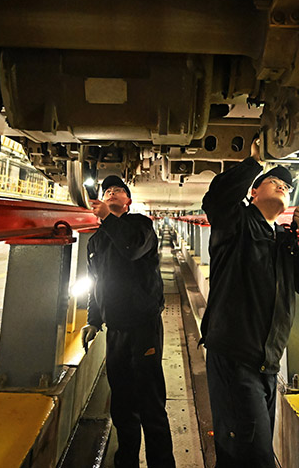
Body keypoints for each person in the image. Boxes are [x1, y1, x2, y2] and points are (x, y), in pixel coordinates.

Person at [200, 143, 299, 467]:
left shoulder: (284, 239)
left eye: (287, 185)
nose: (283, 184)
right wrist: (255, 161)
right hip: (234, 359)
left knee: (236, 456)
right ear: (253, 192)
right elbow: (216, 199)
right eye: (274, 181)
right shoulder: (236, 224)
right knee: (255, 459)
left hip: (267, 365)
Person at [80, 175, 175, 468]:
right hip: (116, 330)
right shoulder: (96, 241)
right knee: (122, 405)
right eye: (107, 190)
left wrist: (108, 218)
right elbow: (96, 283)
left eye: (118, 190)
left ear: (128, 202)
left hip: (144, 327)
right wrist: (94, 319)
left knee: (151, 404)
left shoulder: (141, 226)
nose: (111, 192)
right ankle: (126, 462)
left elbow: (131, 248)